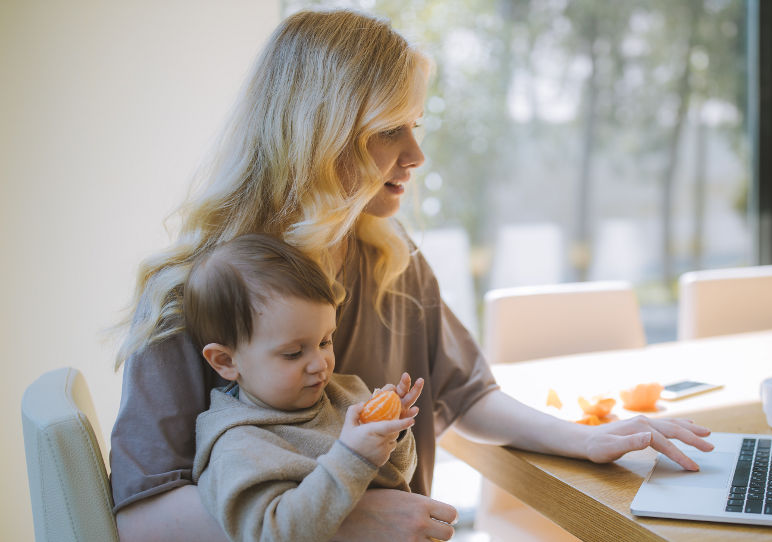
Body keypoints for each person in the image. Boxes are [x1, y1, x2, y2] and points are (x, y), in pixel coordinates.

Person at [110, 8, 714, 542]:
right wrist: (344, 523)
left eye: (415, 126)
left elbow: (467, 394)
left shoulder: (390, 256)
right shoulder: (190, 290)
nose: (416, 155)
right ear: (316, 138)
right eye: (386, 131)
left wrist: (586, 438)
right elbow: (140, 518)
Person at [185, 233, 423, 541]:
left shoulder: (346, 393)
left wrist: (393, 435)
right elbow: (273, 534)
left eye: (325, 341)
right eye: (294, 353)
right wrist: (352, 457)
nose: (320, 363)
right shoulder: (238, 446)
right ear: (226, 361)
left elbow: (400, 478)